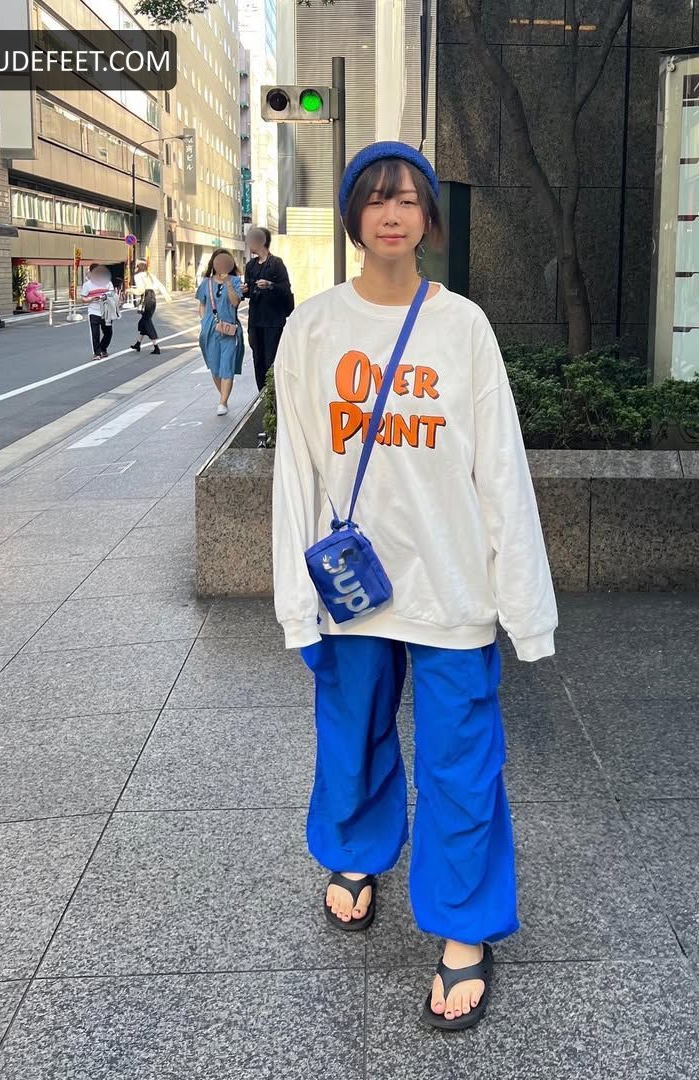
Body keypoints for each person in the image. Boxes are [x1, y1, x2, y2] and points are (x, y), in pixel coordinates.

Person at [271, 142, 558, 1032]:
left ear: (429, 217)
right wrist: (295, 603)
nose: (391, 213)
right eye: (375, 198)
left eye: (408, 199)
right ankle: (358, 852)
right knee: (350, 738)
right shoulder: (313, 328)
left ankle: (464, 924)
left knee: (461, 763)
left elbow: (500, 469)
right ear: (353, 215)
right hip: (351, 588)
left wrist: (526, 606)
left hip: (450, 584)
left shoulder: (463, 327)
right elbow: (297, 473)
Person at [243, 227, 293, 397]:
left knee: (271, 358)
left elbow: (285, 289)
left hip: (273, 319)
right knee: (258, 359)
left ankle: (274, 394)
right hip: (255, 320)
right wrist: (244, 290)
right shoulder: (250, 266)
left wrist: (270, 285)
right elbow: (249, 291)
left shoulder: (276, 263)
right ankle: (262, 395)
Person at [196, 249, 244, 416]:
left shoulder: (236, 281)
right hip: (210, 329)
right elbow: (202, 304)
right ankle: (224, 396)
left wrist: (228, 283)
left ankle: (223, 402)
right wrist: (204, 321)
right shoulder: (206, 282)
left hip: (230, 328)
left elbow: (235, 302)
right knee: (215, 367)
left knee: (227, 365)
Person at [82, 264, 114, 359]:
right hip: (93, 311)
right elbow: (83, 298)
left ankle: (103, 348)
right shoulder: (87, 285)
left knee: (108, 332)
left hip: (106, 310)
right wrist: (91, 299)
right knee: (95, 333)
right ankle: (97, 353)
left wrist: (105, 297)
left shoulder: (107, 282)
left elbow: (112, 294)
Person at [130, 289, 160, 354]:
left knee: (151, 334)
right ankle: (137, 344)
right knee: (143, 332)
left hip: (146, 319)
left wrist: (141, 300)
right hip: (148, 318)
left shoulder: (145, 301)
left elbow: (140, 310)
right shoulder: (153, 301)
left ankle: (156, 348)